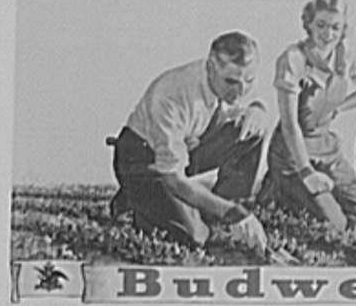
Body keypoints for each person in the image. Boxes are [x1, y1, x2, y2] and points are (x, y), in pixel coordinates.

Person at [110, 30, 269, 254]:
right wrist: (234, 214)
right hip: (143, 156)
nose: (240, 91)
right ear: (211, 67)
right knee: (194, 237)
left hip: (187, 147)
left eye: (249, 81)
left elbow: (252, 99)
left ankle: (220, 213)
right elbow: (174, 179)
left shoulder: (236, 82)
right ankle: (135, 198)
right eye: (231, 82)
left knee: (253, 130)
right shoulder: (172, 93)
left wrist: (258, 109)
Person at [262, 0, 356, 230]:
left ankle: (313, 195)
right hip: (291, 154)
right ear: (308, 23)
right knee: (335, 223)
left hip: (327, 149)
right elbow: (290, 125)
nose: (328, 34)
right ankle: (279, 190)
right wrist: (307, 172)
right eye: (321, 25)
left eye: (335, 28)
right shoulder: (293, 59)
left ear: (343, 29)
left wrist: (338, 108)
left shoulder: (346, 55)